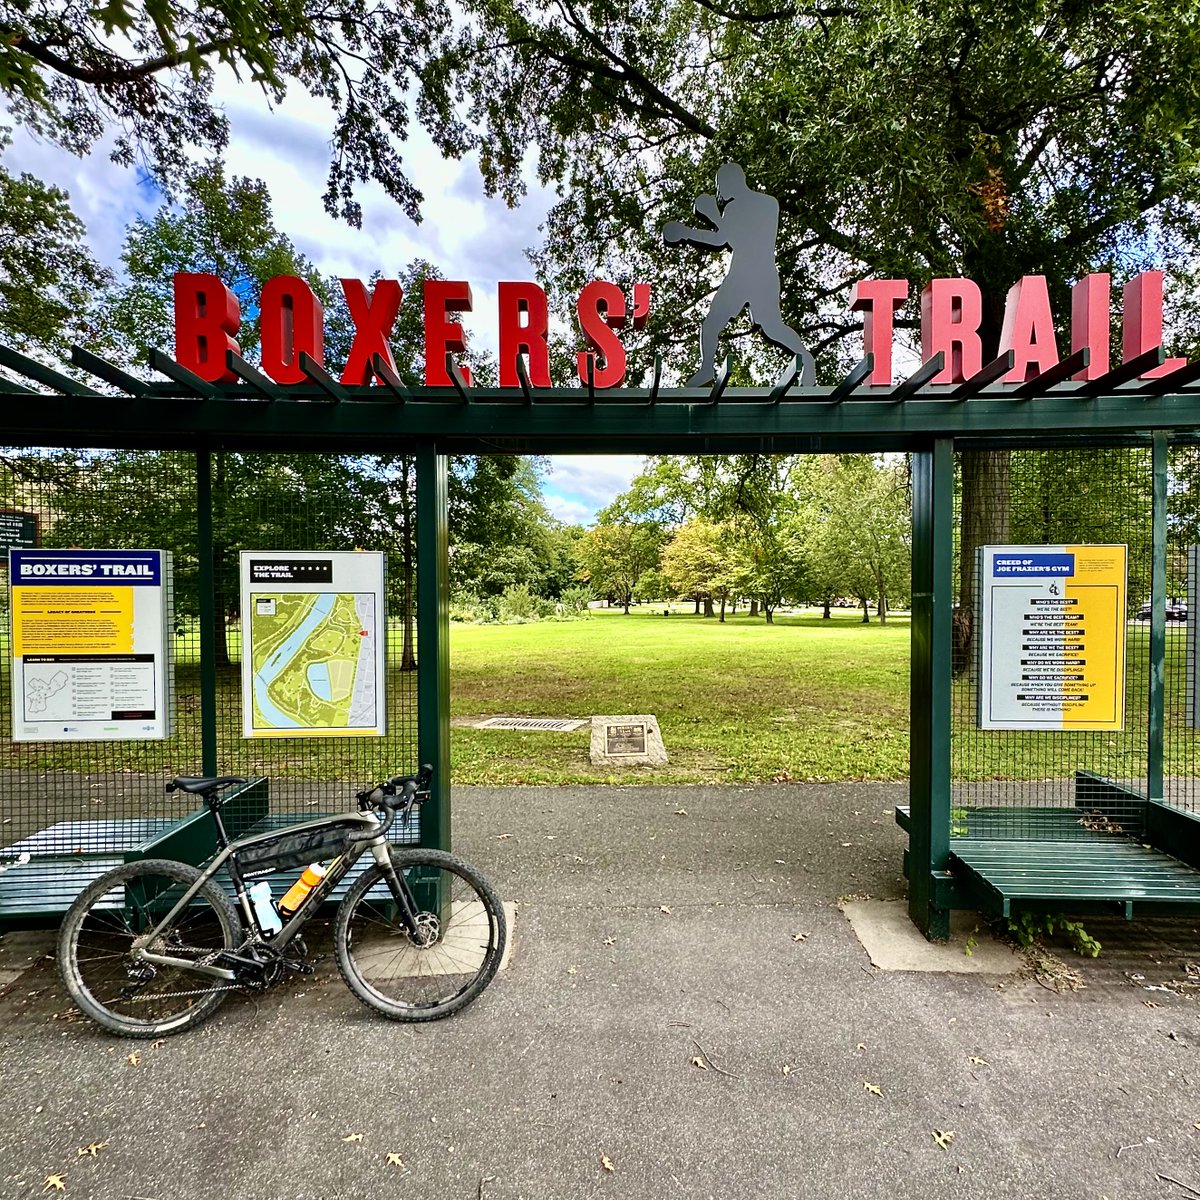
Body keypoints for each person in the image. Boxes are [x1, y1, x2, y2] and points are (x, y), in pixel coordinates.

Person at [664, 163, 816, 387]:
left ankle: (806, 359)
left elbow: (724, 239)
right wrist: (700, 227)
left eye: (719, 186)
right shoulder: (767, 203)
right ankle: (707, 369)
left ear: (731, 181)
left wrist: (691, 231)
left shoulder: (748, 206)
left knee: (738, 325)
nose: (719, 192)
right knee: (765, 327)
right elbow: (728, 236)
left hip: (747, 273)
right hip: (760, 273)